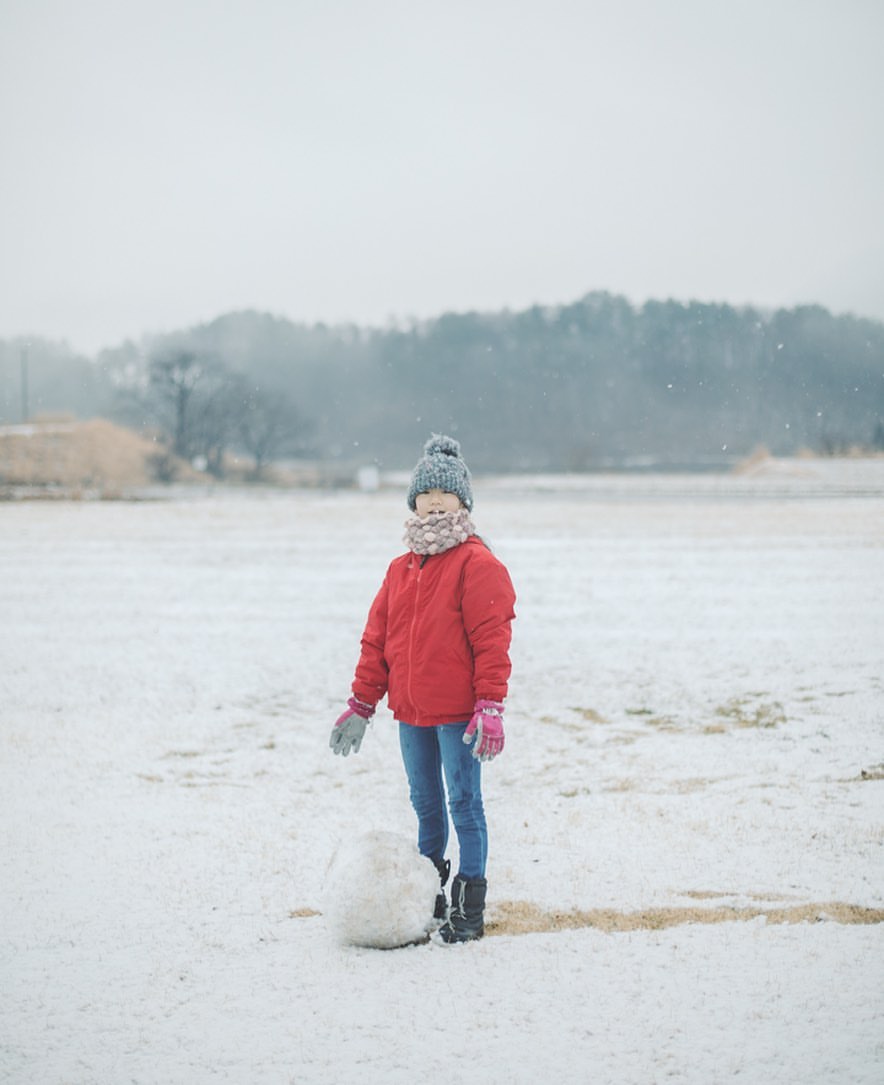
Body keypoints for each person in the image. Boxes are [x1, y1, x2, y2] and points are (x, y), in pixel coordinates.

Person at [329, 434, 516, 943]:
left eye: (445, 492)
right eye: (425, 492)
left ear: (463, 501)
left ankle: (469, 906)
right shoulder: (400, 568)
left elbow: (491, 640)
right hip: (411, 713)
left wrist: (490, 705)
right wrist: (362, 703)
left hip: (458, 714)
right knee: (426, 807)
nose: (435, 500)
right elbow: (377, 641)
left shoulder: (478, 565)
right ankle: (427, 896)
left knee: (464, 805)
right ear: (413, 501)